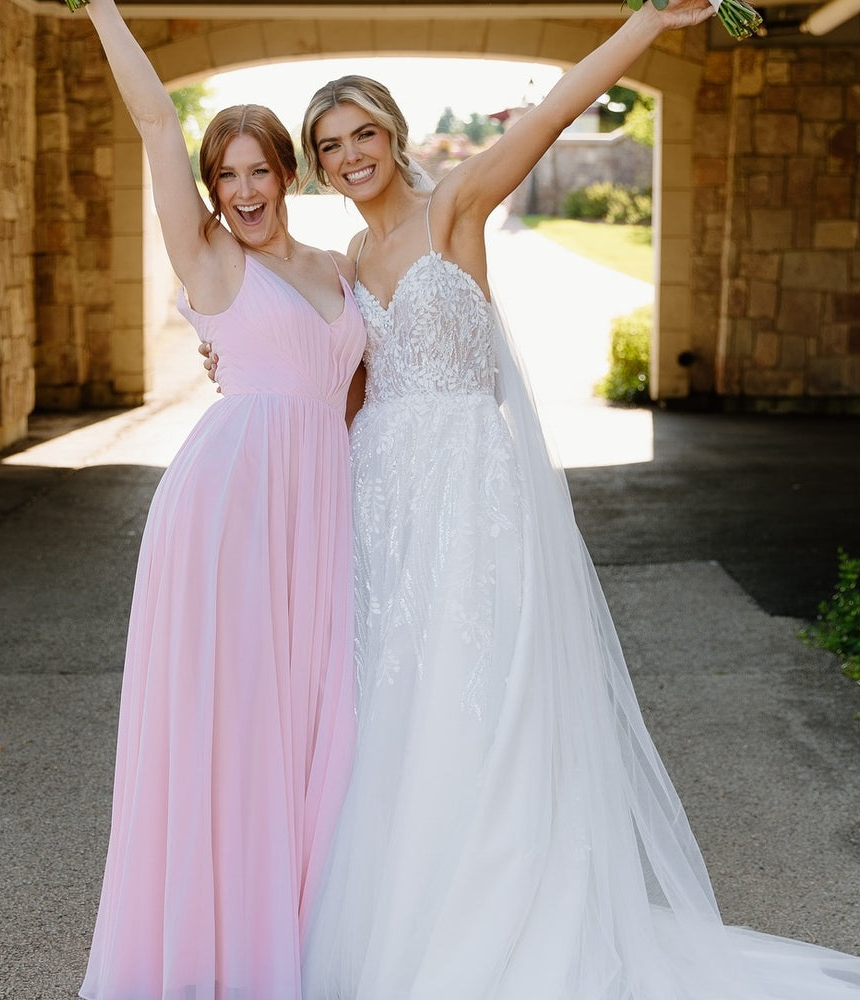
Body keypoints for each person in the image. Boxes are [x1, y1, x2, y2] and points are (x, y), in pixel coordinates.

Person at [281, 2, 860, 998]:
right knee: (396, 702)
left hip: (467, 485)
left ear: (392, 132)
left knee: (479, 692)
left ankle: (491, 919)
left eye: (362, 134)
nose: (349, 156)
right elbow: (327, 382)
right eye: (329, 147)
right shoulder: (342, 267)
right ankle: (402, 913)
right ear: (316, 164)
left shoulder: (454, 205)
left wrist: (647, 20)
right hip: (381, 495)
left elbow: (552, 111)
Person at [74, 2, 366, 998]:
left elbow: (358, 393)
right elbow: (157, 121)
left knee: (318, 715)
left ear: (288, 172)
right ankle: (222, 951)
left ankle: (301, 930)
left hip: (324, 508)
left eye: (257, 169)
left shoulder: (334, 268)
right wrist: (102, 8)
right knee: (236, 720)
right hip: (230, 509)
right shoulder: (210, 258)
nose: (240, 189)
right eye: (224, 174)